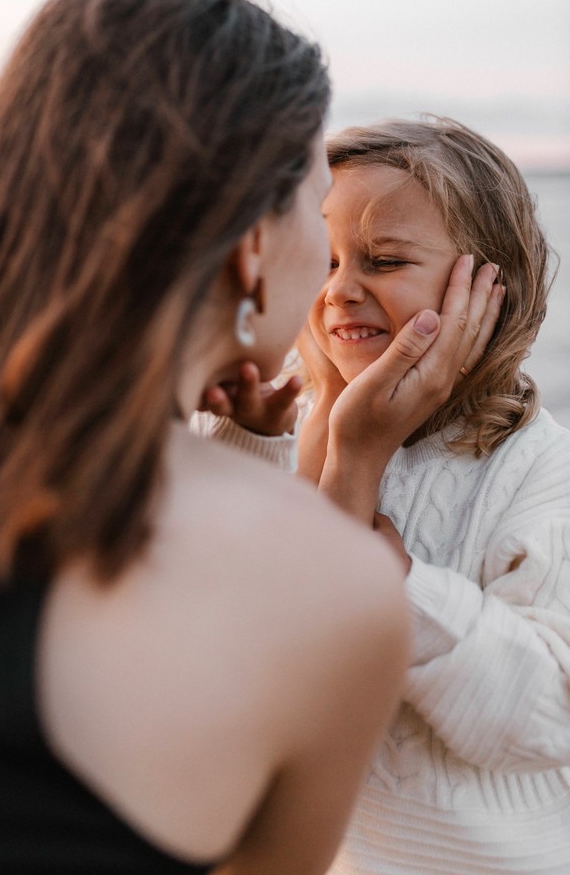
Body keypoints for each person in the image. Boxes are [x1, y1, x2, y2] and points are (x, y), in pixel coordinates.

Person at [0, 0, 497, 875]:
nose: (332, 264)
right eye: (315, 212)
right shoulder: (332, 588)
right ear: (251, 249)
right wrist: (350, 456)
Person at [205, 115, 570, 873]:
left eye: (383, 258)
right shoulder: (297, 424)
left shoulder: (537, 469)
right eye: (328, 258)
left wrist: (400, 588)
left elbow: (548, 717)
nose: (341, 289)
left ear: (489, 287)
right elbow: (226, 636)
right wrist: (251, 448)